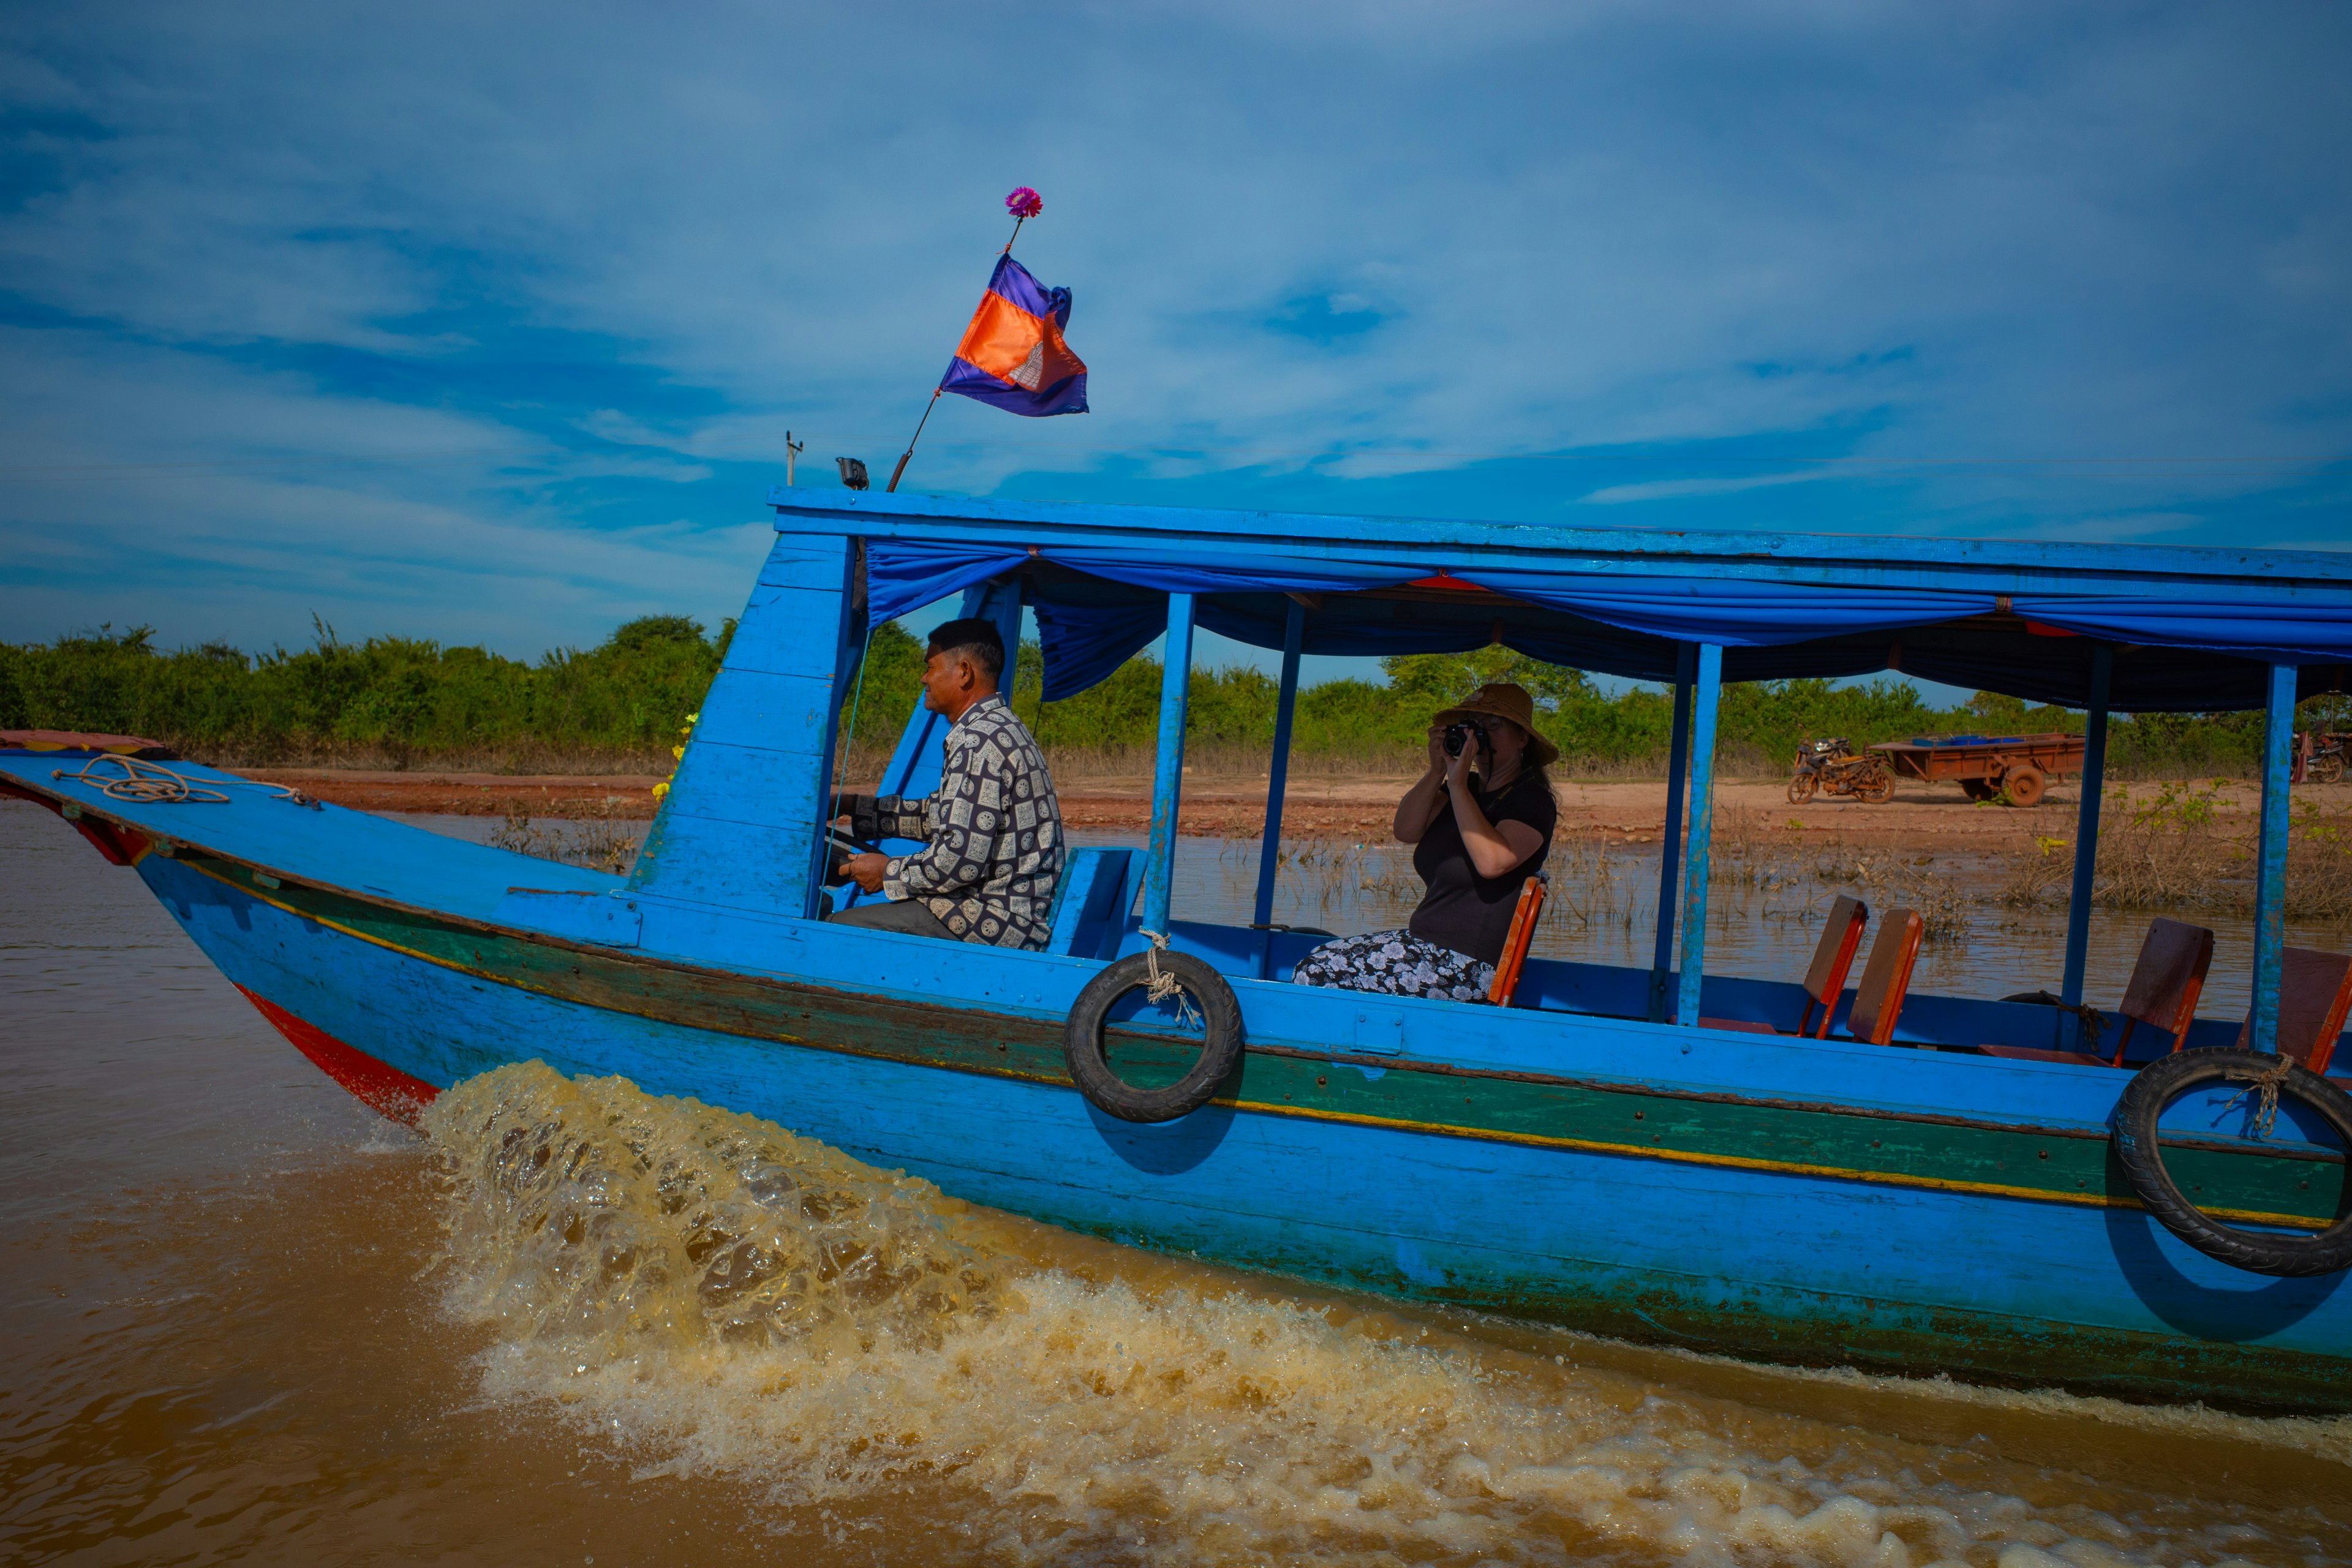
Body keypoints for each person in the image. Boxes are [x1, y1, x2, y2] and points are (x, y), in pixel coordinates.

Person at [1292, 682, 1558, 1001]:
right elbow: (1406, 831)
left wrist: (1458, 787)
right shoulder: (1466, 787)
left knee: (1315, 973)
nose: (1482, 735)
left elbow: (1493, 862)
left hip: (1467, 966)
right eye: (1475, 726)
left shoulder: (1531, 800)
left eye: (1494, 726)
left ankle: (1355, 1050)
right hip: (1427, 946)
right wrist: (1437, 772)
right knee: (1318, 956)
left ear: (1522, 739)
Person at [827, 618, 1065, 947]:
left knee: (834, 930)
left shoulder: (979, 742)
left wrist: (887, 872)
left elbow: (961, 863)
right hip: (1003, 912)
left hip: (992, 920)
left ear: (964, 672)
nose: (924, 678)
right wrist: (852, 807)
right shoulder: (999, 727)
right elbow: (942, 817)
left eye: (931, 667)